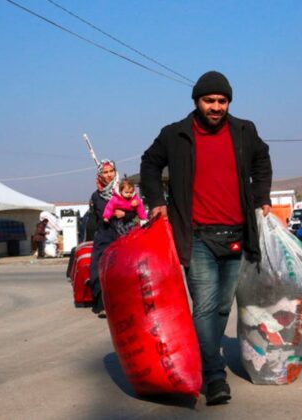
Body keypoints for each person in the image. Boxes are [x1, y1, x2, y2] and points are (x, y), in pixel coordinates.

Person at [140, 70, 272, 406]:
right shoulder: (175, 134)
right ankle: (214, 376)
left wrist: (262, 197)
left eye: (222, 101)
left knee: (222, 307)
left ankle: (204, 357)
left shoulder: (245, 131)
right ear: (197, 101)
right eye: (209, 100)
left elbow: (262, 159)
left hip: (238, 236)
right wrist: (157, 202)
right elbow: (150, 163)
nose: (216, 107)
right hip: (196, 235)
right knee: (205, 306)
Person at [87, 160, 131, 319]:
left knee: (123, 270)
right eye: (105, 172)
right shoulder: (96, 195)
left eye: (111, 171)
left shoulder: (125, 190)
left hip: (123, 235)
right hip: (104, 236)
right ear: (100, 174)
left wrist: (125, 214)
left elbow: (136, 211)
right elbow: (96, 218)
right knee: (98, 270)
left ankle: (125, 303)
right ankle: (102, 305)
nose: (108, 175)